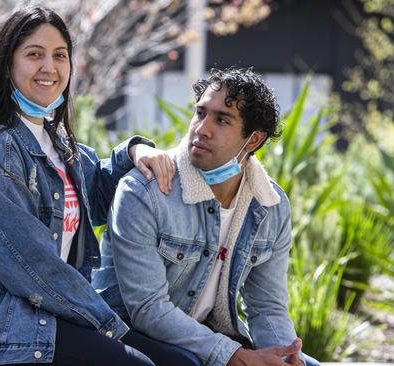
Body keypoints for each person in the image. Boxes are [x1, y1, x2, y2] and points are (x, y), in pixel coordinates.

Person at [0, 7, 179, 366]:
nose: (49, 67)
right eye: (34, 54)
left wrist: (134, 150)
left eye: (60, 56)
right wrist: (109, 325)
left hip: (47, 319)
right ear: (6, 64)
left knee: (181, 361)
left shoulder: (57, 143)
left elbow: (96, 196)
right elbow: (33, 264)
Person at [93, 67, 321, 366]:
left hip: (206, 336)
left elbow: (267, 307)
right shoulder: (144, 190)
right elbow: (148, 309)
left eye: (222, 120)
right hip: (129, 334)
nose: (202, 128)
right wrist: (232, 356)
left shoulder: (271, 206)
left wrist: (285, 355)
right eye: (200, 113)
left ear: (253, 140)